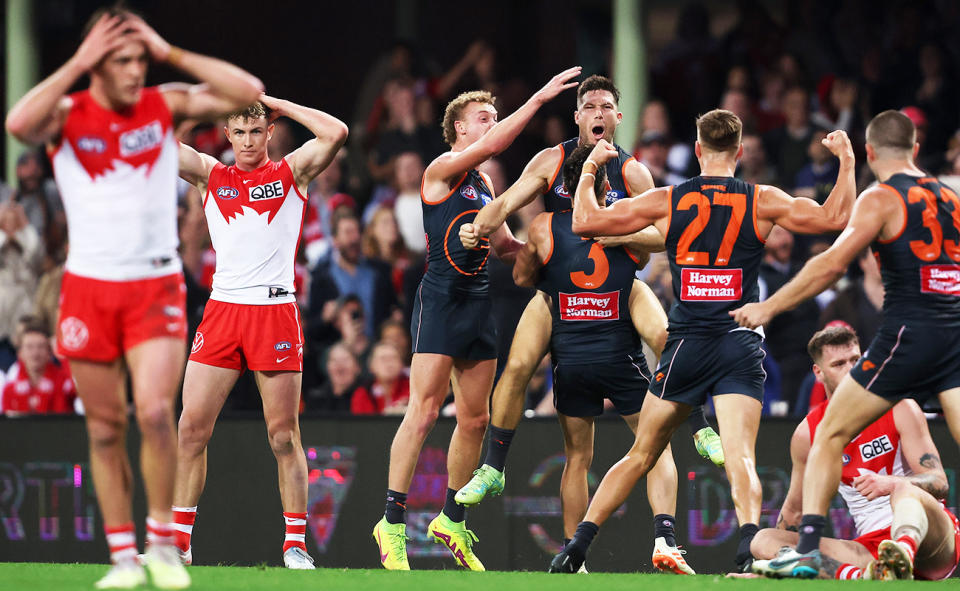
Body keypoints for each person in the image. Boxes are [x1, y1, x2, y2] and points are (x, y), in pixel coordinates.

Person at [4, 6, 263, 588]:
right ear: (97, 63)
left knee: (152, 411)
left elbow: (247, 90)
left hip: (153, 284)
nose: (133, 71)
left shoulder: (161, 102)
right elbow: (19, 123)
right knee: (102, 428)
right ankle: (122, 557)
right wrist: (77, 62)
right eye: (122, 60)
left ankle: (162, 546)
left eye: (139, 60)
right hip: (89, 287)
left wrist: (166, 51)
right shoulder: (67, 113)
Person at [548, 109, 856, 573]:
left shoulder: (669, 199)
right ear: (740, 151)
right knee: (741, 457)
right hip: (738, 341)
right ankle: (748, 549)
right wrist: (847, 161)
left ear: (696, 149)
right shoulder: (762, 199)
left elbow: (585, 222)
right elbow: (835, 216)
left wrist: (591, 166)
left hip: (687, 345)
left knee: (641, 453)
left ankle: (575, 548)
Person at [455, 76, 724, 514]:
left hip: (618, 288)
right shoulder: (551, 161)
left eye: (606, 106)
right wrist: (476, 227)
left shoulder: (633, 171)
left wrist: (622, 236)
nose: (598, 113)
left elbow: (668, 234)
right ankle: (494, 466)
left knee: (665, 337)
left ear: (618, 117)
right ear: (577, 116)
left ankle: (700, 426)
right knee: (519, 364)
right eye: (589, 106)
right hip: (557, 293)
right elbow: (503, 204)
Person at [731, 109, 960, 578]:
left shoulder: (882, 196)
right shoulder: (951, 197)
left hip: (909, 336)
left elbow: (832, 265)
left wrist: (769, 307)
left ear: (871, 153)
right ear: (915, 150)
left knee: (830, 433)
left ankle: (808, 549)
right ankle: (850, 564)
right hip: (955, 336)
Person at [372, 66, 582, 571]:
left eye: (494, 116)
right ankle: (392, 522)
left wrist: (552, 252)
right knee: (422, 411)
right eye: (483, 118)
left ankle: (451, 520)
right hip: (441, 299)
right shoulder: (440, 169)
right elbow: (493, 147)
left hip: (477, 303)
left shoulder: (485, 183)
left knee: (475, 419)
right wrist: (535, 100)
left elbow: (506, 243)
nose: (491, 124)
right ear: (459, 129)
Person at [173, 96, 347, 569]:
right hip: (223, 311)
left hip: (273, 311)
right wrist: (194, 105)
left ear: (269, 132)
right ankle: (179, 544)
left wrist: (282, 106)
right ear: (226, 136)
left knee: (283, 436)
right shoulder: (212, 175)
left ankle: (295, 544)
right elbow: (156, 146)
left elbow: (335, 132)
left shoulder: (291, 173)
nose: (248, 142)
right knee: (190, 429)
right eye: (239, 132)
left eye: (257, 131)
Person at [513, 145, 694, 574]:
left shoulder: (545, 225)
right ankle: (665, 537)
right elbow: (657, 248)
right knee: (654, 446)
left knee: (577, 458)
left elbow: (522, 277)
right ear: (602, 183)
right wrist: (625, 235)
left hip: (570, 355)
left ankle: (573, 554)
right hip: (618, 352)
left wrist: (540, 265)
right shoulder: (618, 220)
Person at [748, 325, 958, 581]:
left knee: (903, 490)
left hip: (930, 541)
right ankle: (862, 576)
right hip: (869, 548)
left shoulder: (901, 406)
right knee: (763, 540)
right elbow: (794, 512)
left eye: (855, 361)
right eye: (838, 364)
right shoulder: (807, 433)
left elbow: (939, 481)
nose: (850, 370)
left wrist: (891, 483)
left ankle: (900, 553)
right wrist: (772, 563)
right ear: (819, 373)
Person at [1, 318, 75, 416]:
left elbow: (81, 393)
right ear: (20, 353)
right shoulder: (10, 389)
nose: (35, 353)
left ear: (49, 352)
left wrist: (62, 357)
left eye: (40, 347)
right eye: (29, 347)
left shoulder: (64, 382)